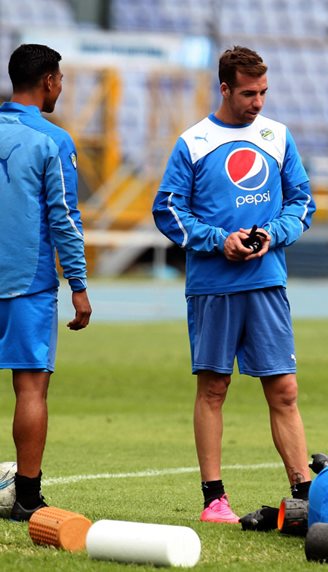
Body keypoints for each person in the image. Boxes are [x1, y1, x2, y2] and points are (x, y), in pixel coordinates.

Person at [151, 45, 316, 522]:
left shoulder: (278, 137)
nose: (258, 101)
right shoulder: (194, 142)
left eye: (263, 92)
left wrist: (273, 235)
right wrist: (218, 240)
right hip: (213, 286)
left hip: (266, 282)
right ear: (224, 88)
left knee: (284, 390)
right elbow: (168, 210)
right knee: (214, 388)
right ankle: (214, 499)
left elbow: (302, 203)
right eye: (248, 93)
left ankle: (302, 490)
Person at [0, 43, 91, 520]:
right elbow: (65, 218)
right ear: (50, 81)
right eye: (61, 80)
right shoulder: (52, 140)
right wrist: (78, 283)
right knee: (30, 388)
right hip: (26, 283)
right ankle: (28, 498)